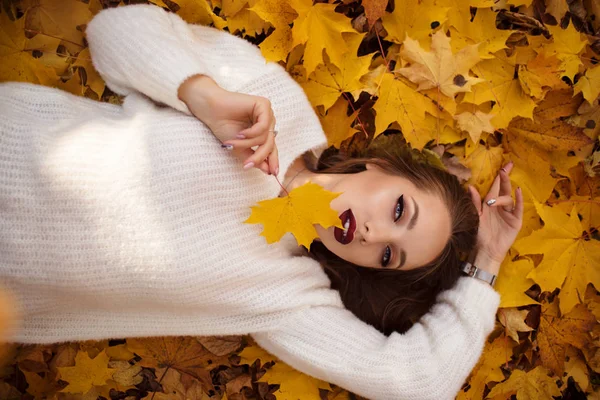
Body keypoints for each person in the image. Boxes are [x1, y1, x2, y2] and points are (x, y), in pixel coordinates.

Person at [0, 4, 523, 399]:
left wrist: (488, 263)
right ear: (379, 167)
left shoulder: (290, 298)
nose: (374, 236)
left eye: (389, 256)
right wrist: (201, 94)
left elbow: (419, 382)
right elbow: (114, 31)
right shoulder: (274, 103)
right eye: (398, 211)